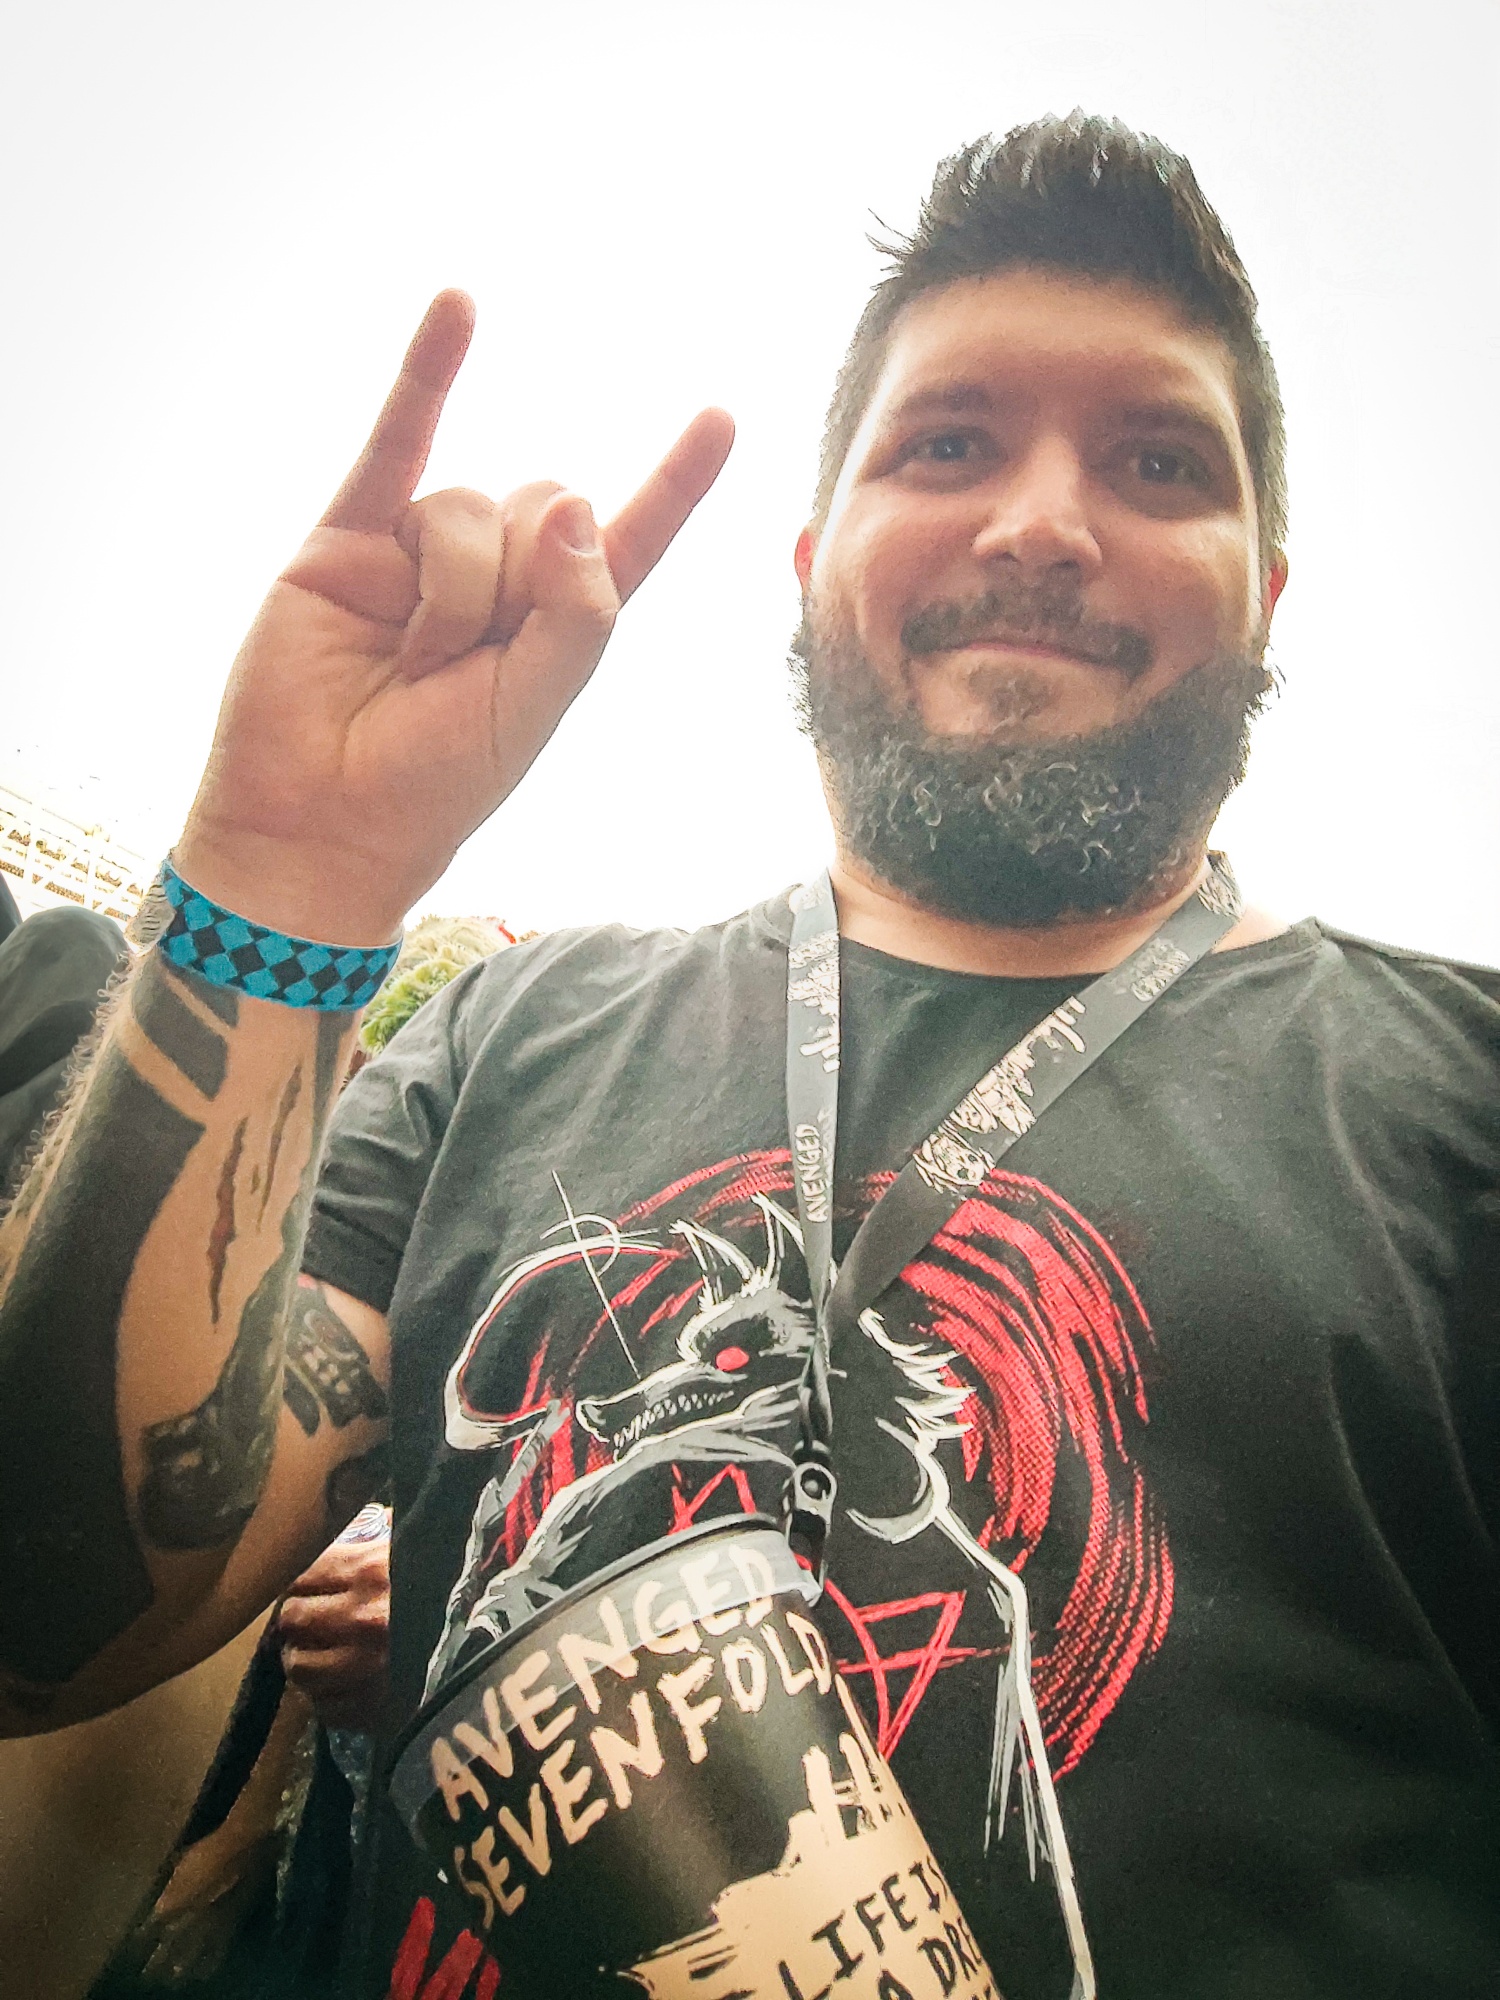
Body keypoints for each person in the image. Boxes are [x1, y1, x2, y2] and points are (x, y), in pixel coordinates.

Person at [0, 110, 1495, 2000]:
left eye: (1157, 461)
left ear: (1267, 585)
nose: (1042, 523)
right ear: (811, 561)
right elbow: (45, 1610)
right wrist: (284, 882)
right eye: (948, 444)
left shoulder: (1461, 1103)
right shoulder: (508, 1038)